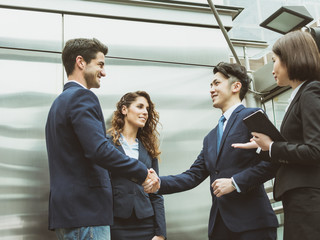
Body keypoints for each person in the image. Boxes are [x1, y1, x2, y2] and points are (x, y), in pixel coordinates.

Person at [145, 62, 278, 240]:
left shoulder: (252, 115)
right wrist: (159, 183)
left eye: (217, 83)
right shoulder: (211, 137)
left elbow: (273, 161)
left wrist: (235, 182)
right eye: (210, 85)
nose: (211, 90)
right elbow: (192, 175)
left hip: (252, 224)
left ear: (236, 86)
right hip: (220, 227)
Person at [45, 38, 159, 240]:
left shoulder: (58, 104)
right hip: (86, 211)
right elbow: (98, 150)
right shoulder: (82, 97)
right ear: (81, 62)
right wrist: (142, 172)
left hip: (68, 212)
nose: (104, 72)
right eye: (100, 64)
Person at [233, 30, 320, 240]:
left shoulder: (312, 91)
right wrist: (261, 146)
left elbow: (316, 150)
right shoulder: (301, 94)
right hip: (303, 198)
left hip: (310, 199)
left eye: (274, 60)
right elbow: (298, 147)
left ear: (291, 58)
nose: (272, 68)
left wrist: (272, 146)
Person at [107, 91, 166, 240]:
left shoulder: (148, 147)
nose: (145, 112)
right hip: (116, 223)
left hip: (146, 223)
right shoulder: (107, 144)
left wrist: (160, 233)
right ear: (124, 110)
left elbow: (156, 192)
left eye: (147, 109)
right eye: (140, 107)